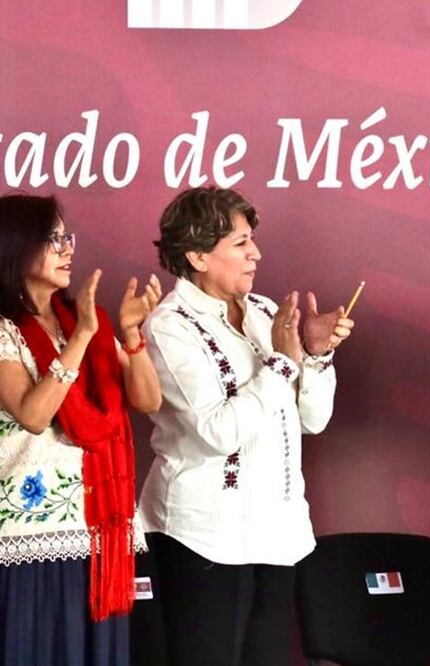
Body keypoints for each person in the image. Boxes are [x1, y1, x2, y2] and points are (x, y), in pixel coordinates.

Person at [138, 186, 355, 666]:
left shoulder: (265, 313)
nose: (255, 252)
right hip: (201, 537)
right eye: (239, 242)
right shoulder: (169, 327)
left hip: (276, 531)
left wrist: (316, 356)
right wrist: (281, 362)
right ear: (196, 254)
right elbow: (218, 433)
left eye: (251, 238)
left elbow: (312, 421)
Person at [0, 193, 162, 666]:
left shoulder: (76, 319)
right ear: (16, 244)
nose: (68, 248)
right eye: (53, 239)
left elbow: (148, 400)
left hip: (95, 530)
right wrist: (83, 339)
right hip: (29, 535)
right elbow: (32, 414)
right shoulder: (7, 328)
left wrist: (131, 338)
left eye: (66, 237)